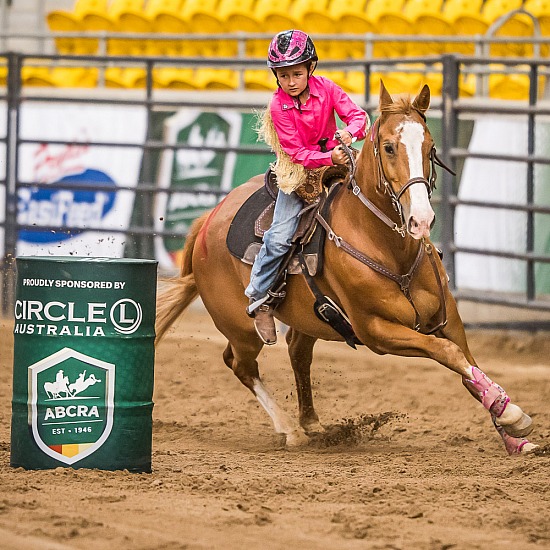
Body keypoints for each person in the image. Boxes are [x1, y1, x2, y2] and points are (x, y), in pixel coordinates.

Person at [245, 29, 368, 345]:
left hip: (335, 155)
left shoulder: (327, 88)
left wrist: (349, 135)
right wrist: (330, 155)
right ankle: (259, 298)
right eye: (283, 75)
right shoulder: (278, 106)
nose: (290, 81)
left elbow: (357, 117)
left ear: (310, 68)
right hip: (297, 170)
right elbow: (297, 152)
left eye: (297, 73)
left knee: (378, 194)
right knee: (280, 235)